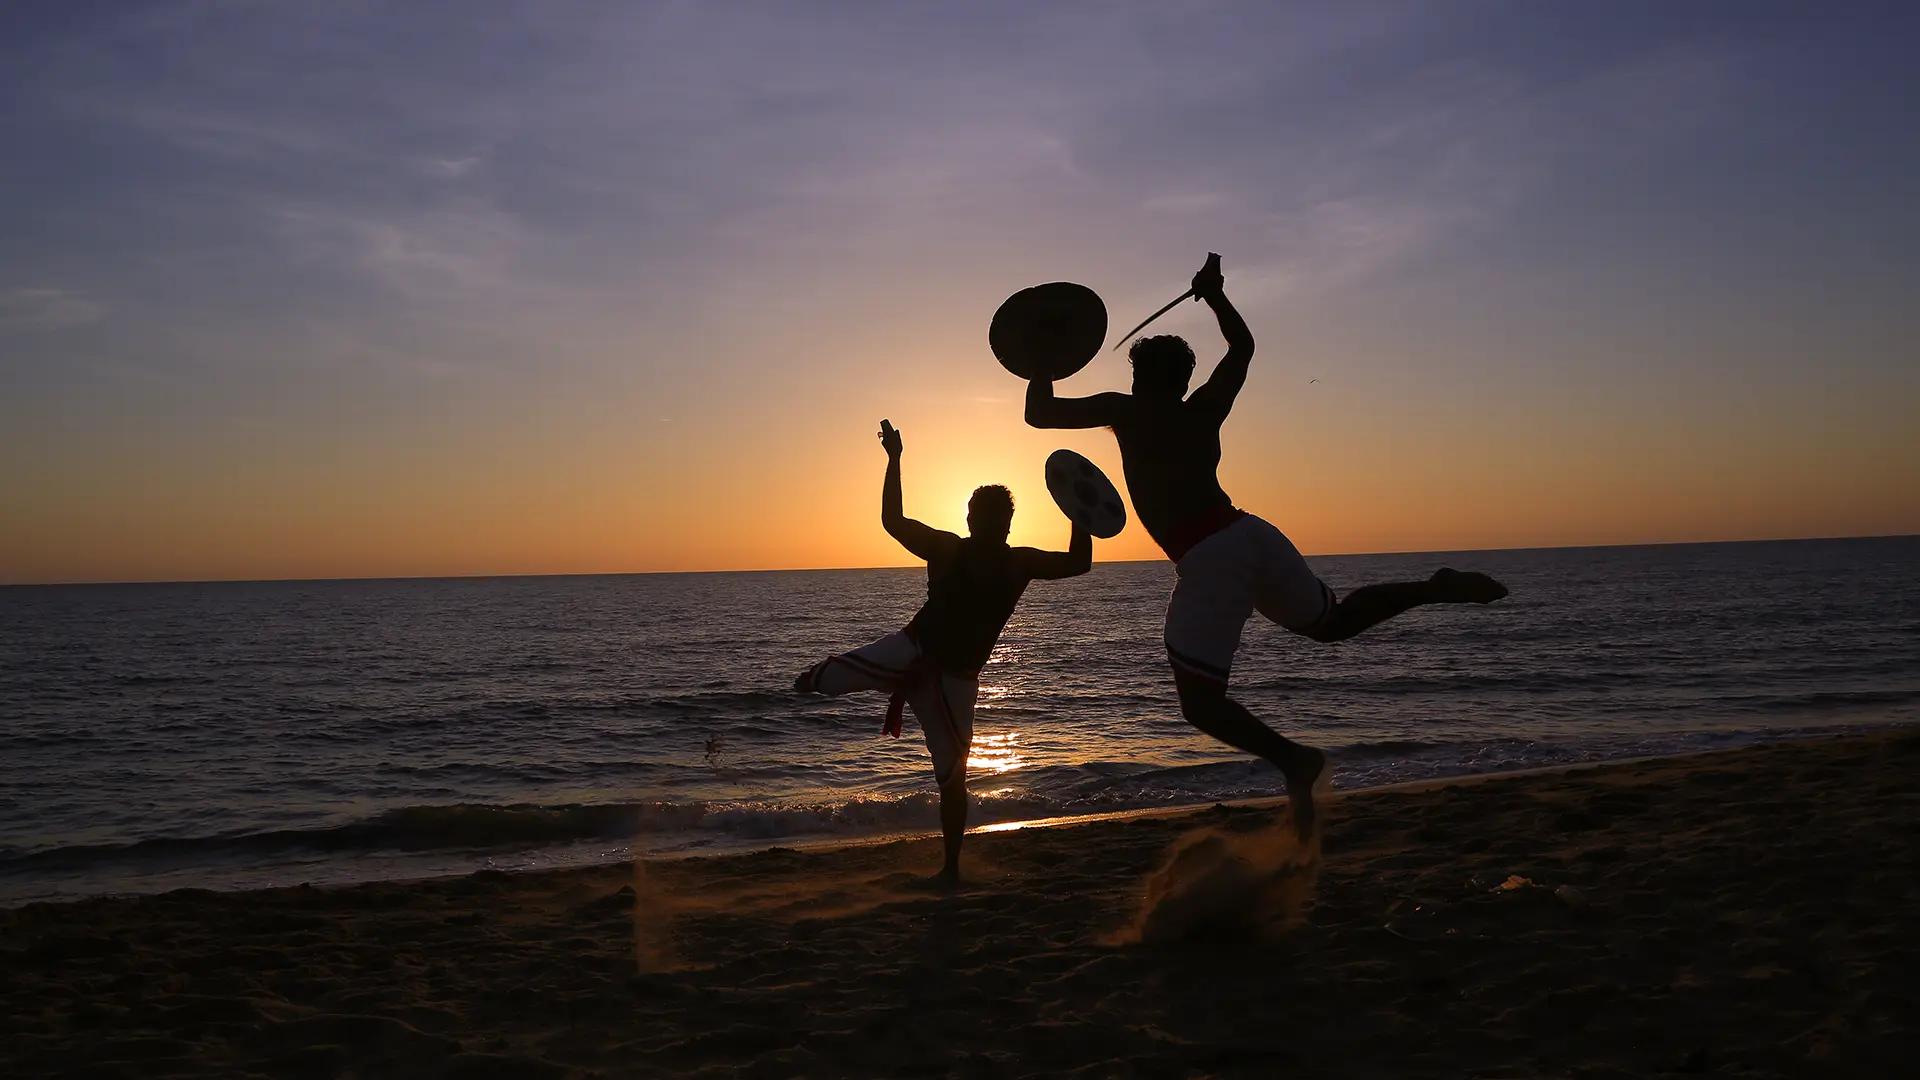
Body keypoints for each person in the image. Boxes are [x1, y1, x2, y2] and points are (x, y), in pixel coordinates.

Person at [1024, 255, 1508, 838]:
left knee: (1201, 705)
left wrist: (1046, 359)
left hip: (1209, 557)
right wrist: (1217, 297)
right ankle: (1433, 588)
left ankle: (1295, 760)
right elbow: (1243, 349)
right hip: (1251, 533)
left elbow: (1039, 412)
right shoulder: (1204, 409)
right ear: (1183, 379)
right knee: (1332, 623)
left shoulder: (1123, 410)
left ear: (1138, 377)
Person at [794, 420, 1092, 886]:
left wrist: (1080, 508)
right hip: (911, 651)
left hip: (955, 682)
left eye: (992, 520)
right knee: (820, 679)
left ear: (1004, 524)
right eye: (981, 517)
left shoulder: (1016, 562)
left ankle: (950, 869)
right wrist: (894, 460)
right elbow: (892, 522)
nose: (986, 525)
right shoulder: (953, 550)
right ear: (971, 519)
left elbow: (1079, 563)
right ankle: (808, 682)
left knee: (953, 776)